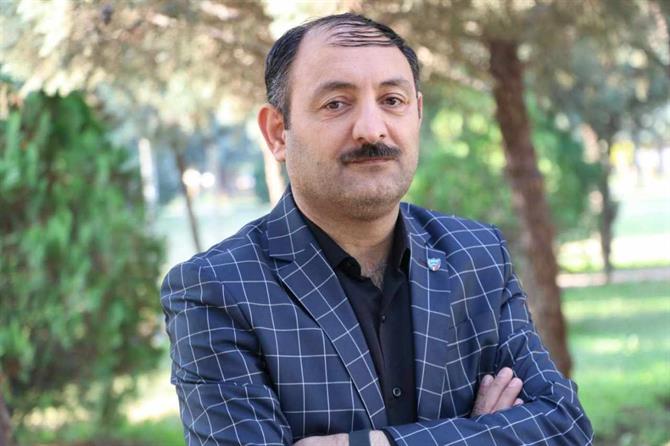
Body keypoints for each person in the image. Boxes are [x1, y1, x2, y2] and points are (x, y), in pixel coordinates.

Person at [161, 13, 593, 446]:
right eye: (336, 104)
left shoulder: (478, 256)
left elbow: (565, 426)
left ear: (417, 114)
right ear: (277, 133)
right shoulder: (217, 289)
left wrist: (375, 443)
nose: (371, 129)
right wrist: (483, 432)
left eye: (392, 100)